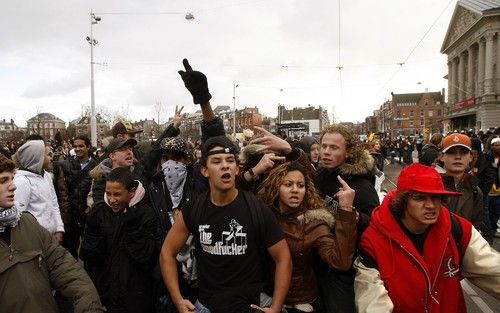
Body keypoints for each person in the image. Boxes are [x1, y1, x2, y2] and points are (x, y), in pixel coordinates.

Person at [160, 135, 292, 313]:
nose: (225, 165)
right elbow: (167, 253)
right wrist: (178, 300)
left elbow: (283, 258)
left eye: (230, 160)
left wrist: (276, 307)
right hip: (206, 306)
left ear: (237, 169)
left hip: (248, 306)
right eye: (216, 161)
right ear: (205, 170)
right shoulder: (194, 209)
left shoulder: (256, 209)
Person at [354, 163, 500, 312]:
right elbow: (371, 300)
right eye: (420, 198)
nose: (431, 205)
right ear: (403, 201)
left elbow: (492, 269)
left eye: (436, 197)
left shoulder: (458, 229)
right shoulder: (373, 240)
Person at [0, 154, 104, 312]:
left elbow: (65, 268)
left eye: (11, 178)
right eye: (3, 181)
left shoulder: (27, 223)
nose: (13, 186)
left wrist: (89, 307)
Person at [258, 162, 357, 312]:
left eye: (300, 185)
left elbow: (340, 261)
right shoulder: (263, 215)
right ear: (276, 187)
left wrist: (346, 210)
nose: (295, 190)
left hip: (301, 303)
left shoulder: (313, 222)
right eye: (288, 184)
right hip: (265, 297)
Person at [314, 123, 379, 313]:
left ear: (348, 152)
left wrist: (355, 216)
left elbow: (376, 223)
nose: (326, 152)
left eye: (334, 148)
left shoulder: (362, 186)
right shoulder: (320, 175)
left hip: (344, 270)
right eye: (323, 146)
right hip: (319, 258)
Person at [80, 167, 158, 313]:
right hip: (106, 292)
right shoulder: (100, 212)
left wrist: (131, 224)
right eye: (108, 193)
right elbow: (89, 257)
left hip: (136, 295)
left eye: (117, 194)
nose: (112, 199)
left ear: (131, 192)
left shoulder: (145, 214)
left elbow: (146, 256)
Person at [13, 139, 65, 242]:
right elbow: (18, 216)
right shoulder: (22, 181)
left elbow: (54, 203)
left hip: (50, 237)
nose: (51, 158)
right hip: (34, 240)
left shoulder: (46, 175)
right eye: (47, 155)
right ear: (36, 158)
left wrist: (59, 228)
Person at [56, 135, 98, 257]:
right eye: (75, 146)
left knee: (90, 251)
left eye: (81, 146)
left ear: (88, 147)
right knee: (70, 250)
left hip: (88, 214)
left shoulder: (97, 166)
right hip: (71, 215)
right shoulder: (65, 165)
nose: (78, 149)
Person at [438, 133, 483, 228]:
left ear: (471, 157)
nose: (458, 156)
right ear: (441, 156)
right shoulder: (430, 187)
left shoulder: (475, 191)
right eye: (451, 152)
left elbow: (474, 228)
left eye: (463, 152)